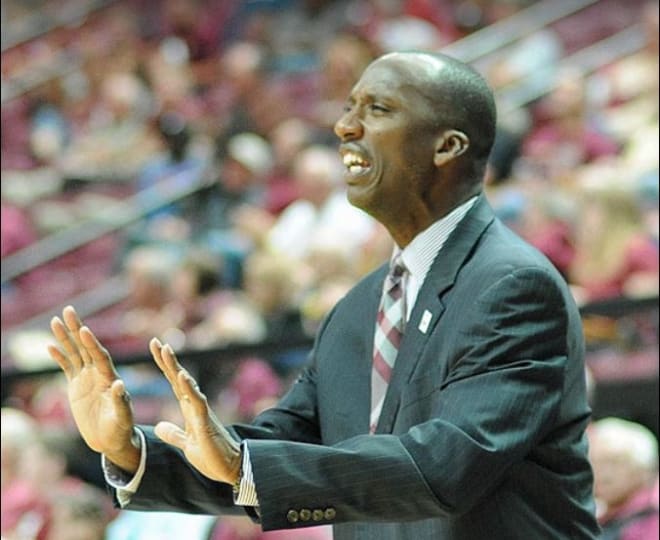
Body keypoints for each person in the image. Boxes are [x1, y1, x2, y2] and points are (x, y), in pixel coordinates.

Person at [47, 51, 600, 539]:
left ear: (447, 146)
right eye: (348, 107)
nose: (343, 127)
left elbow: (445, 466)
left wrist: (245, 465)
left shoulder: (512, 287)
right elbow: (278, 449)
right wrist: (130, 450)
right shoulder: (358, 308)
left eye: (377, 110)